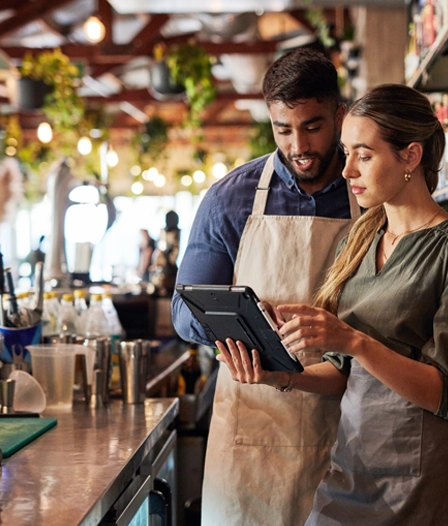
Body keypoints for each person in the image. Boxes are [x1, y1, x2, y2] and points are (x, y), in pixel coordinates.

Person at [216, 84, 448, 525]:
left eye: (363, 155)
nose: (346, 170)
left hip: (420, 482)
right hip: (351, 467)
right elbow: (342, 373)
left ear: (410, 156)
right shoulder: (359, 238)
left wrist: (354, 340)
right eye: (346, 153)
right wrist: (282, 375)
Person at [171, 47, 360, 525]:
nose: (298, 145)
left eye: (313, 126)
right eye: (283, 130)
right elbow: (183, 309)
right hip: (252, 432)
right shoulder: (230, 198)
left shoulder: (369, 194)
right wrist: (243, 321)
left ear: (339, 115)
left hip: (348, 429)